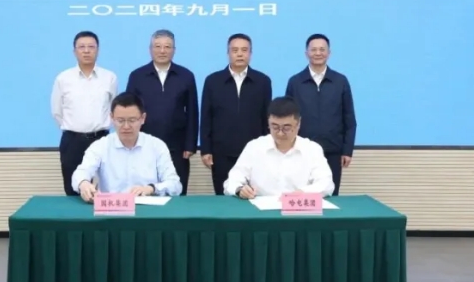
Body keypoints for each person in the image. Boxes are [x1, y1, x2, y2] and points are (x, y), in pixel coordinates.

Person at [125, 30, 199, 194]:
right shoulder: (137, 76)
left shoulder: (186, 76)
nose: (162, 51)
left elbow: (192, 112)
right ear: (150, 49)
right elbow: (129, 111)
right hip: (143, 145)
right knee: (143, 191)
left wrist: (190, 144)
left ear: (174, 50)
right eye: (157, 46)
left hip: (177, 146)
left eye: (167, 47)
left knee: (176, 191)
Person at [72, 92, 182, 201]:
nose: (126, 126)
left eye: (132, 120)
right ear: (112, 118)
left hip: (147, 208)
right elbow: (81, 172)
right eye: (120, 121)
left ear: (143, 118)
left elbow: (175, 185)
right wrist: (83, 183)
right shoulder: (100, 146)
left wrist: (152, 188)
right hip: (112, 208)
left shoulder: (157, 146)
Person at [200, 33, 272, 195]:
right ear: (228, 53)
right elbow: (206, 117)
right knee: (223, 196)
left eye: (244, 50)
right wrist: (206, 149)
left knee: (253, 195)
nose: (240, 54)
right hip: (221, 152)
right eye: (235, 50)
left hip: (254, 152)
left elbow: (266, 119)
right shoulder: (213, 81)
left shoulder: (263, 81)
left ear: (250, 54)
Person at [284, 34, 356, 196]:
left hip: (332, 151)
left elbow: (349, 118)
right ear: (306, 53)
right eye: (314, 49)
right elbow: (287, 118)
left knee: (330, 196)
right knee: (300, 196)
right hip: (301, 151)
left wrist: (347, 150)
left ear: (329, 53)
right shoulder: (295, 82)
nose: (318, 53)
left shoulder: (340, 81)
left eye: (322, 49)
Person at [224, 96, 335, 199]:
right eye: (275, 127)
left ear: (298, 123)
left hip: (297, 208)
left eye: (286, 128)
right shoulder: (254, 147)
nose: (280, 133)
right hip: (260, 209)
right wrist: (240, 189)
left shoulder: (312, 149)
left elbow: (327, 184)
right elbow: (232, 180)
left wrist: (303, 193)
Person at [50, 31, 118, 196]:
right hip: (72, 141)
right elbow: (57, 111)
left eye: (91, 47)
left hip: (101, 139)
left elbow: (114, 109)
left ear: (98, 50)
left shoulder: (109, 77)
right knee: (73, 188)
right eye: (81, 47)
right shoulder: (63, 78)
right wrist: (75, 128)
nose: (86, 51)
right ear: (74, 51)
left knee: (104, 189)